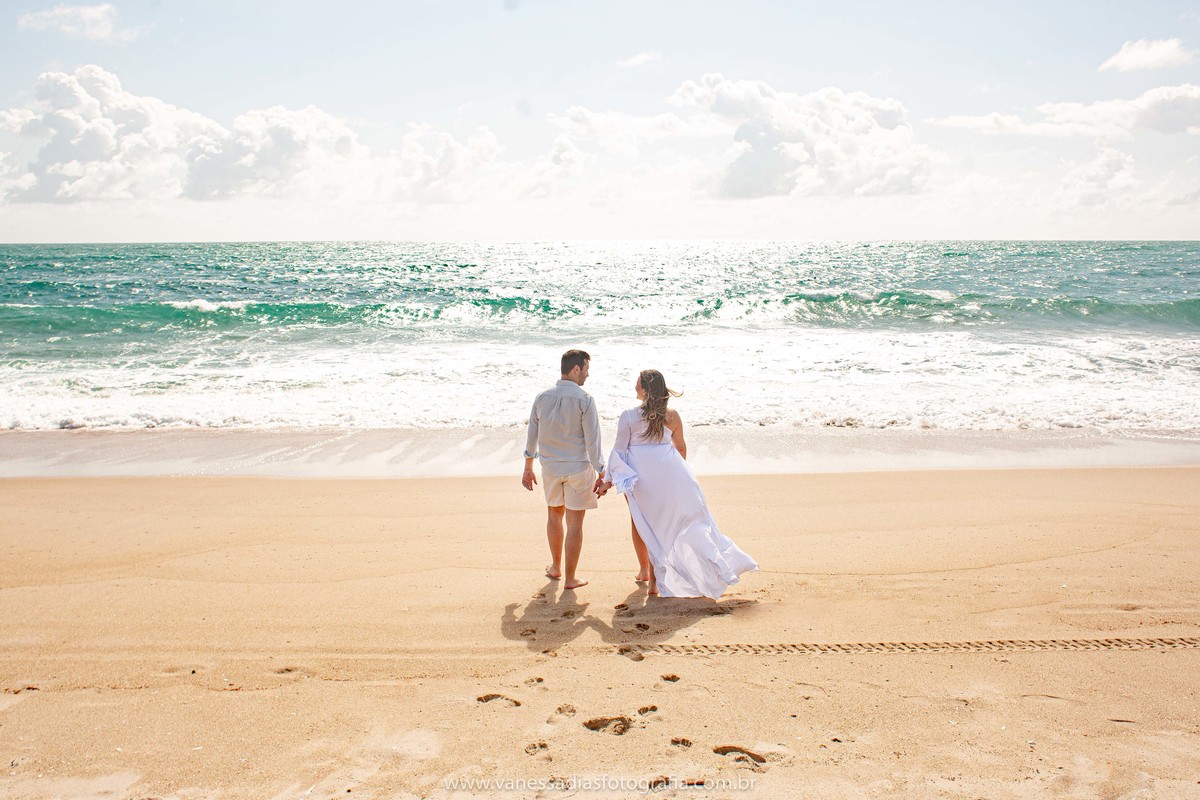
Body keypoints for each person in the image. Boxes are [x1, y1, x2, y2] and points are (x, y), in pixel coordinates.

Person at [597, 370, 757, 599]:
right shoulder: (672, 416)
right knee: (678, 525)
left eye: (637, 383)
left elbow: (619, 452)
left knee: (644, 524)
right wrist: (673, 476)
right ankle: (665, 575)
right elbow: (680, 448)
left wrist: (607, 481)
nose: (634, 387)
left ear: (644, 389)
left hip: (641, 480)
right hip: (673, 475)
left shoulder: (629, 416)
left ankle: (648, 575)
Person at [521, 349, 606, 590]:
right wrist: (602, 471)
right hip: (579, 469)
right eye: (586, 370)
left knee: (554, 516)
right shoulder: (585, 399)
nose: (587, 375)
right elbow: (593, 441)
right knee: (575, 523)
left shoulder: (542, 397)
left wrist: (528, 466)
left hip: (550, 468)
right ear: (576, 369)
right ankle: (570, 578)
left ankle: (556, 566)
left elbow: (532, 436)